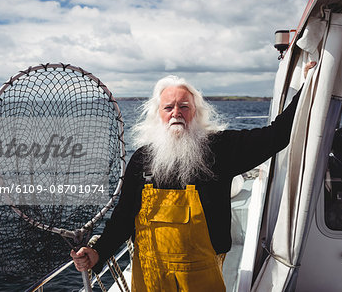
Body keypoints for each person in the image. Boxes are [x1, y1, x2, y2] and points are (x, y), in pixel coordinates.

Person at [71, 63, 316, 291]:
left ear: (195, 112)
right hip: (149, 276)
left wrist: (308, 84)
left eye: (184, 106)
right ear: (159, 114)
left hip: (201, 275)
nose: (176, 112)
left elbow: (278, 136)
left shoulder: (220, 149)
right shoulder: (142, 159)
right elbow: (124, 216)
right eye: (169, 107)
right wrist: (98, 252)